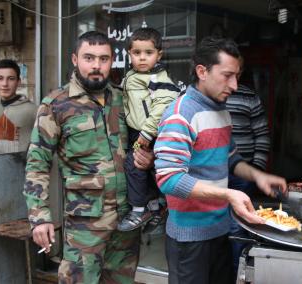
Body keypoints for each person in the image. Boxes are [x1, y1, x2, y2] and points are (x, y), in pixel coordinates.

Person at [23, 31, 154, 283]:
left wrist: (147, 160)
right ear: (75, 59)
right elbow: (37, 163)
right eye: (89, 58)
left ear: (112, 61)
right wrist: (39, 217)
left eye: (104, 59)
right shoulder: (56, 105)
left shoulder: (123, 99)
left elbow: (142, 143)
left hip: (126, 221)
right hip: (84, 224)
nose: (96, 66)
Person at [154, 36, 287, 284]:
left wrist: (259, 176)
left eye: (237, 76)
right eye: (227, 75)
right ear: (202, 71)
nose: (235, 85)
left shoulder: (220, 110)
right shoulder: (180, 114)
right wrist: (228, 195)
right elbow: (168, 179)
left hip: (220, 231)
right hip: (189, 239)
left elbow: (231, 159)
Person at [117, 27, 179, 232]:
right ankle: (155, 207)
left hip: (150, 133)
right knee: (142, 169)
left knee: (134, 165)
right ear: (129, 54)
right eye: (137, 53)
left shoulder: (160, 81)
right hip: (137, 131)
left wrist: (146, 133)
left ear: (159, 55)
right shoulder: (131, 77)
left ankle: (138, 209)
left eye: (148, 53)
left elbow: (162, 109)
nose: (142, 58)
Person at [226, 83, 270, 278]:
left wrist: (257, 171)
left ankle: (237, 273)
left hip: (243, 172)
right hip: (212, 177)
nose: (233, 81)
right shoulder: (197, 104)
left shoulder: (249, 96)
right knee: (215, 226)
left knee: (238, 226)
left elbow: (262, 134)